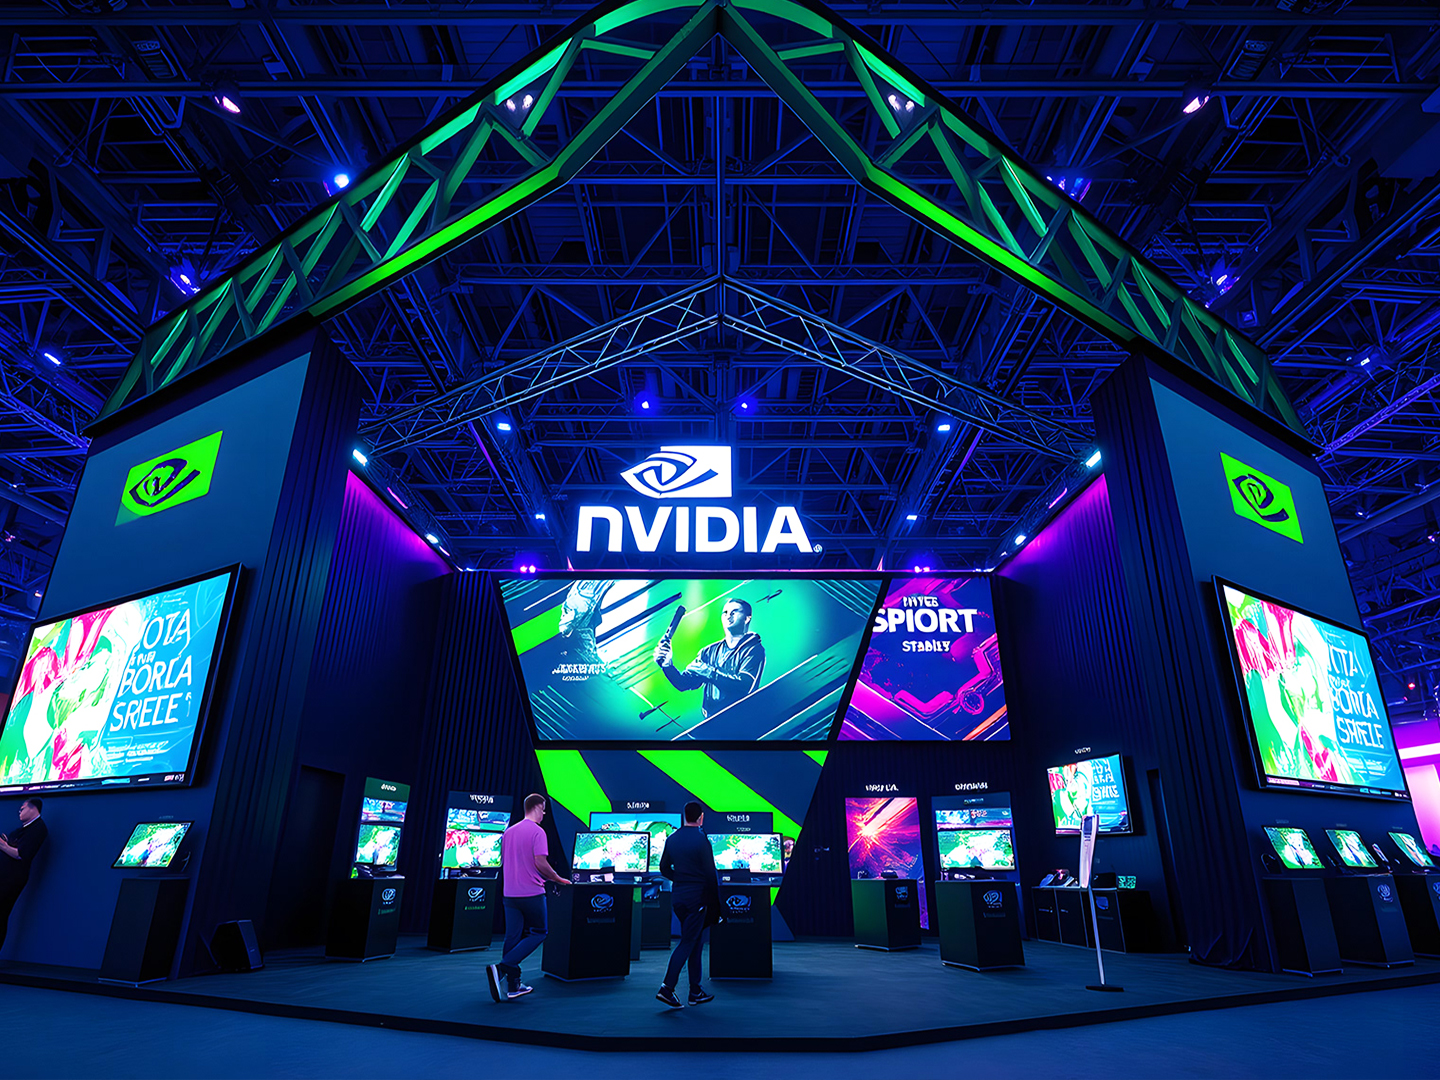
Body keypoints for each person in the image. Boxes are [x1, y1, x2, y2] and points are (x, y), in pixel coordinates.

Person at [487, 794, 568, 1003]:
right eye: (543, 809)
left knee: (512, 937)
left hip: (509, 893)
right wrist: (557, 878)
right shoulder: (538, 832)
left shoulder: (508, 832)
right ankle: (503, 967)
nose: (544, 813)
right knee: (539, 932)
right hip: (531, 892)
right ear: (537, 807)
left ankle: (512, 985)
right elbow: (540, 862)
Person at [653, 598, 766, 720]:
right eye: (725, 613)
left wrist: (707, 671)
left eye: (734, 612)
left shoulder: (754, 650)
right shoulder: (708, 652)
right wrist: (667, 665)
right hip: (712, 721)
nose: (728, 616)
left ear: (747, 618)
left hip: (741, 719)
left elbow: (744, 687)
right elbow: (683, 683)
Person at [655, 800, 719, 1009]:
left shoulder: (672, 839)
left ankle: (695, 991)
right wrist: (716, 906)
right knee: (687, 942)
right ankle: (667, 988)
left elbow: (664, 868)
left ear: (685, 816)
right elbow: (710, 875)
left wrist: (680, 878)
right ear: (701, 817)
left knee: (695, 942)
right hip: (697, 899)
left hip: (679, 898)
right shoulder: (702, 840)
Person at [0, 797, 48, 951]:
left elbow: (21, 854)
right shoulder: (21, 830)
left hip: (11, 880)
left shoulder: (38, 829)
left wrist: (3, 845)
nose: (19, 812)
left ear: (33, 808)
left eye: (22, 808)